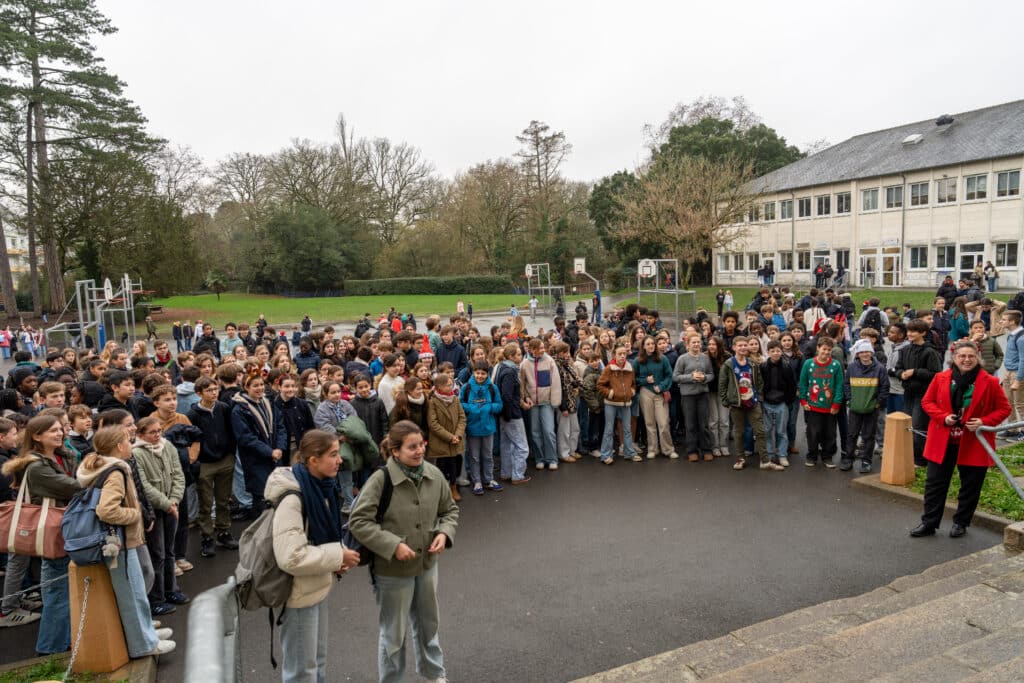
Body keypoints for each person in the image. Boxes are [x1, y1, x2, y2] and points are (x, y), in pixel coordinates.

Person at [349, 420, 459, 683]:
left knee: (429, 624)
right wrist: (393, 545)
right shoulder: (380, 480)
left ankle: (434, 673)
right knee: (393, 635)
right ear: (395, 451)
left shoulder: (434, 474)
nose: (420, 450)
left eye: (421, 444)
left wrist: (444, 533)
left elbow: (449, 511)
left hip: (427, 565)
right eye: (412, 447)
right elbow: (359, 521)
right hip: (392, 573)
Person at [267, 429, 361, 683]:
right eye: (333, 454)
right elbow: (291, 557)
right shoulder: (293, 499)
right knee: (302, 671)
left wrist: (337, 557)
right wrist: (338, 556)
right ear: (313, 460)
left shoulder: (321, 487)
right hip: (298, 595)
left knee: (316, 664)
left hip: (315, 586)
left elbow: (322, 535)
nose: (340, 460)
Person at [76, 426, 176, 656]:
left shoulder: (104, 466)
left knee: (136, 590)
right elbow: (107, 510)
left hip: (120, 541)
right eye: (127, 441)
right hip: (121, 541)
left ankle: (147, 634)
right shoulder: (115, 472)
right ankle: (143, 645)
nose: (131, 444)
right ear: (119, 446)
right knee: (132, 594)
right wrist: (134, 514)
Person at [911, 340, 1011, 538]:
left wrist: (983, 421)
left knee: (970, 486)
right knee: (935, 484)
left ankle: (961, 523)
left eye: (971, 356)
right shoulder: (941, 378)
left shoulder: (990, 381)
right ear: (954, 358)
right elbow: (927, 402)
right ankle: (929, 522)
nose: (966, 360)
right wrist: (943, 417)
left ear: (978, 358)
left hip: (974, 442)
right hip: (942, 440)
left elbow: (1004, 409)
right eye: (962, 356)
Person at [1, 415, 82, 653]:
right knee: (57, 591)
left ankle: (61, 642)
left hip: (63, 528)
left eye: (60, 429)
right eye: (52, 431)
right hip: (52, 531)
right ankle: (50, 648)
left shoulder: (60, 456)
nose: (60, 433)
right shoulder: (36, 466)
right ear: (36, 436)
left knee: (61, 590)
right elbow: (74, 487)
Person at [133, 415, 190, 616]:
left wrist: (174, 500)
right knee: (157, 554)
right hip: (154, 510)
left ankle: (171, 589)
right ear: (141, 434)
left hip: (171, 506)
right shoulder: (136, 453)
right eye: (152, 432)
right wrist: (166, 504)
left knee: (169, 551)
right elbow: (143, 485)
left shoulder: (168, 446)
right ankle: (156, 598)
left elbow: (178, 474)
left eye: (159, 431)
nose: (157, 435)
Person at [187, 377, 238, 558]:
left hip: (225, 459)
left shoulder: (223, 408)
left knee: (223, 500)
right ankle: (207, 537)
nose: (214, 393)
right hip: (205, 463)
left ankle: (224, 531)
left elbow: (231, 431)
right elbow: (191, 440)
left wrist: (230, 453)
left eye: (215, 389)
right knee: (206, 503)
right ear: (199, 393)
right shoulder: (192, 414)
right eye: (209, 390)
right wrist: (197, 459)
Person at [231, 374, 287, 512]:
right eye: (255, 385)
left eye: (261, 384)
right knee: (262, 497)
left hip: (275, 456)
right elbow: (246, 438)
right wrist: (269, 452)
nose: (260, 388)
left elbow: (280, 426)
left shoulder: (268, 403)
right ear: (246, 387)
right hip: (256, 459)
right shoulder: (239, 410)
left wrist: (280, 448)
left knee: (278, 494)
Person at [897, 319, 943, 465]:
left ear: (923, 333)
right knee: (908, 424)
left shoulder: (930, 352)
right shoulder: (905, 350)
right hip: (908, 393)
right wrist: (901, 374)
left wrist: (915, 372)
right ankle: (910, 455)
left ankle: (921, 459)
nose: (909, 334)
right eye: (908, 331)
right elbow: (898, 367)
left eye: (914, 331)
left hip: (924, 394)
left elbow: (936, 374)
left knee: (918, 426)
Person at [719, 337, 769, 471]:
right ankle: (740, 459)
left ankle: (765, 460)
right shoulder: (728, 365)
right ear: (734, 347)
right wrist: (726, 401)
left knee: (760, 430)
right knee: (739, 432)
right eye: (740, 345)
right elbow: (722, 385)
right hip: (736, 404)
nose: (743, 348)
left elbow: (759, 382)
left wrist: (758, 397)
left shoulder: (752, 364)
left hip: (753, 402)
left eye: (745, 345)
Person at [844, 339, 889, 473]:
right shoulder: (851, 367)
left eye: (867, 351)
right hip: (855, 408)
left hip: (871, 409)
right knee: (852, 434)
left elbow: (885, 387)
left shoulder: (880, 368)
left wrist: (877, 403)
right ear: (858, 354)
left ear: (871, 353)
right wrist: (849, 400)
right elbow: (846, 385)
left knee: (869, 436)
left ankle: (866, 461)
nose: (865, 354)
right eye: (862, 352)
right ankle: (848, 458)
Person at [459, 360, 503, 495]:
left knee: (488, 455)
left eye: (483, 374)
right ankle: (477, 481)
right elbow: (460, 404)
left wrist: (488, 407)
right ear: (473, 373)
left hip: (488, 428)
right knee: (474, 456)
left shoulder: (492, 388)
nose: (480, 376)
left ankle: (488, 479)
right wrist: (472, 408)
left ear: (487, 374)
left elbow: (499, 405)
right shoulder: (466, 388)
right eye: (477, 373)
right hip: (472, 428)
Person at [799, 337, 844, 468]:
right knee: (813, 433)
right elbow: (803, 383)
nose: (826, 352)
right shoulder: (808, 364)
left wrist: (836, 403)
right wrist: (803, 400)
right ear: (818, 348)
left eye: (829, 350)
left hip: (830, 407)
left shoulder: (835, 365)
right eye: (824, 349)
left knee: (830, 434)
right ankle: (812, 456)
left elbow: (839, 385)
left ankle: (827, 456)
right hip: (813, 406)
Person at [520, 338, 562, 470]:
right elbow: (522, 384)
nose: (543, 350)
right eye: (541, 348)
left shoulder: (549, 361)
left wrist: (555, 401)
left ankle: (552, 458)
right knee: (535, 432)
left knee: (549, 431)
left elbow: (555, 382)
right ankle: (540, 458)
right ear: (533, 350)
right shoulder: (525, 363)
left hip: (546, 402)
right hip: (533, 404)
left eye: (544, 347)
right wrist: (526, 397)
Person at [632, 336, 676, 459]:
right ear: (643, 346)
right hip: (645, 392)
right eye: (648, 344)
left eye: (653, 343)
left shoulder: (663, 359)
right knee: (649, 423)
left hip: (660, 393)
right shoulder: (638, 361)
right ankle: (652, 449)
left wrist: (661, 386)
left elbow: (669, 375)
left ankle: (668, 449)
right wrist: (645, 380)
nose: (651, 346)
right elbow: (633, 379)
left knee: (663, 423)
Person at [674, 334, 714, 462]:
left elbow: (711, 374)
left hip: (703, 394)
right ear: (688, 345)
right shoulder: (682, 359)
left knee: (704, 424)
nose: (696, 344)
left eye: (698, 342)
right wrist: (691, 377)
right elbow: (676, 377)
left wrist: (704, 378)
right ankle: (692, 450)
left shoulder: (705, 358)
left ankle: (706, 449)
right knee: (690, 424)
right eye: (693, 342)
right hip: (688, 396)